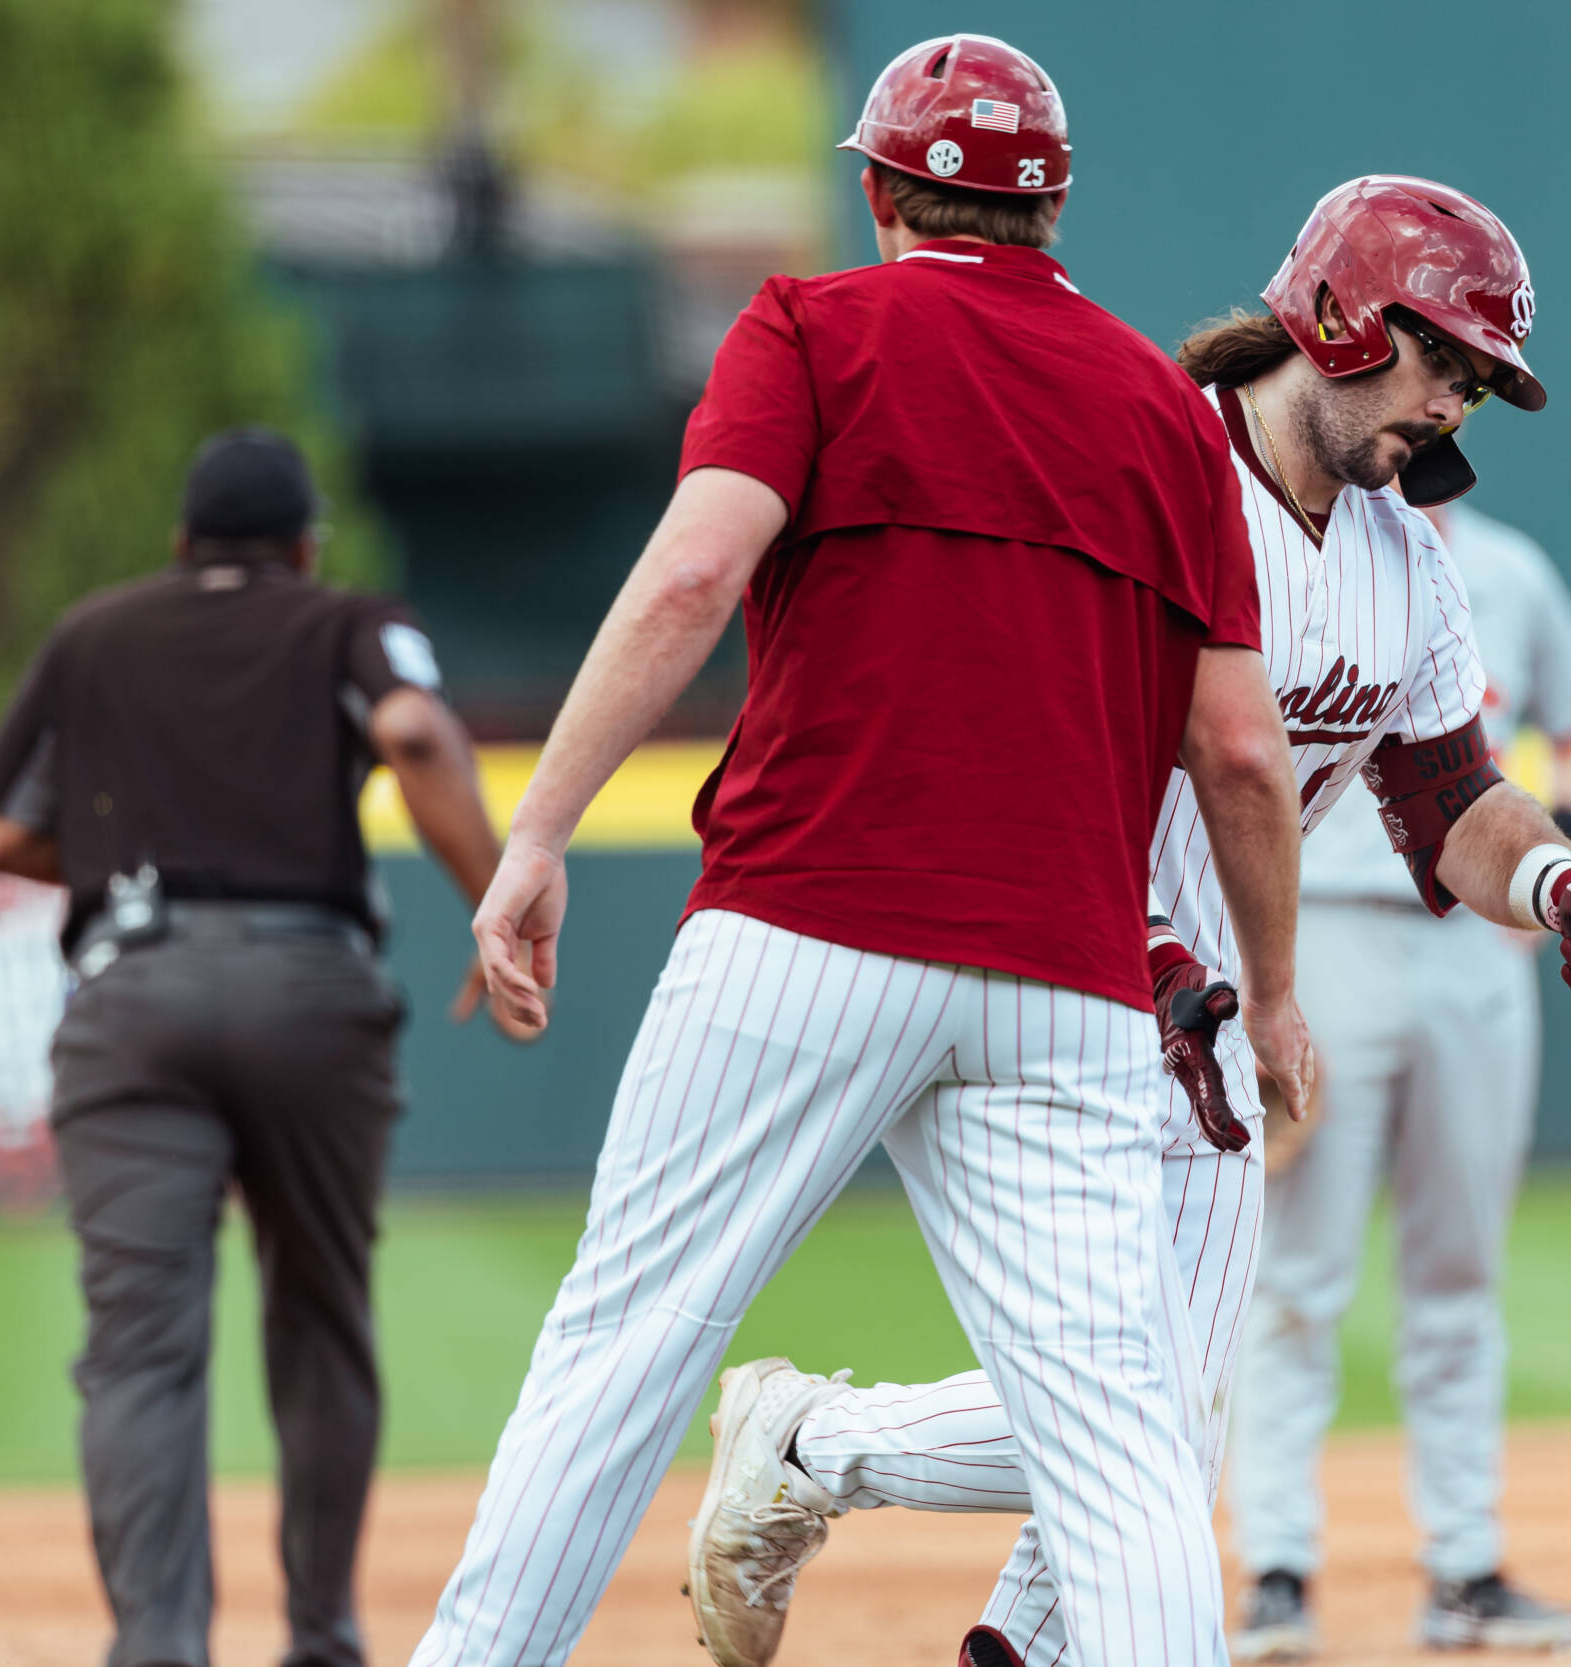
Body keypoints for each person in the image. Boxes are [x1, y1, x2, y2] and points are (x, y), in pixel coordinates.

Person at [407, 34, 1310, 1667]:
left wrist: (536, 828)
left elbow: (692, 580)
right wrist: (1281, 989)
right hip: (1065, 975)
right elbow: (1240, 750)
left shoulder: (811, 327)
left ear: (881, 186)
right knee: (1121, 1439)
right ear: (1050, 209)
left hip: (806, 922)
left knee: (624, 1350)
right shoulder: (1162, 412)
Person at [705, 176, 1571, 1667]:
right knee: (1137, 1420)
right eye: (1444, 362)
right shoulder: (1146, 459)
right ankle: (814, 1443)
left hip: (1211, 1008)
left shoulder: (1412, 559)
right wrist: (1156, 953)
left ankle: (839, 1470)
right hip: (1054, 969)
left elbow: (1453, 795)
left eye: (1478, 381)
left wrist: (1556, 883)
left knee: (1161, 1421)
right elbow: (1014, 723)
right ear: (1345, 316)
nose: (1457, 407)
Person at [0, 427, 520, 1667]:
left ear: (179, 543)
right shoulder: (344, 619)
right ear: (306, 544)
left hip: (132, 992)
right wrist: (498, 895)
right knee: (319, 1318)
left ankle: (159, 1647)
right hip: (305, 983)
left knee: (139, 1353)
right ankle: (320, 1635)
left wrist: (116, 864)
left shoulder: (91, 633)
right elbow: (418, 735)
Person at [1227, 498, 1571, 1658]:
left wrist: (1560, 857)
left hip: (1471, 949)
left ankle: (1464, 1566)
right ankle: (1278, 1569)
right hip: (1325, 935)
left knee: (1458, 1269)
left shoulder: (1508, 566)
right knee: (1296, 1273)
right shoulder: (1290, 550)